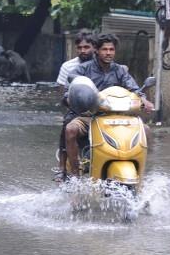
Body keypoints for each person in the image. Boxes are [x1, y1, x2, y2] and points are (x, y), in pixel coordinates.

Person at [63, 33, 154, 178]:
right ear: (97, 51)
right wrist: (71, 98)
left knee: (146, 130)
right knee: (70, 129)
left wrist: (144, 99)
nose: (108, 53)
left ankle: (142, 171)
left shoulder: (120, 71)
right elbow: (70, 90)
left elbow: (134, 89)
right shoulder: (83, 70)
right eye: (104, 49)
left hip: (118, 116)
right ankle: (74, 173)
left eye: (111, 50)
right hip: (90, 116)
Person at [53, 31, 95, 180]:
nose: (83, 50)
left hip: (99, 109)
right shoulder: (68, 66)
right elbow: (61, 91)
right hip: (76, 109)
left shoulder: (99, 65)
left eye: (86, 47)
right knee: (67, 125)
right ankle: (62, 167)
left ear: (94, 47)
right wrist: (68, 102)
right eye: (80, 47)